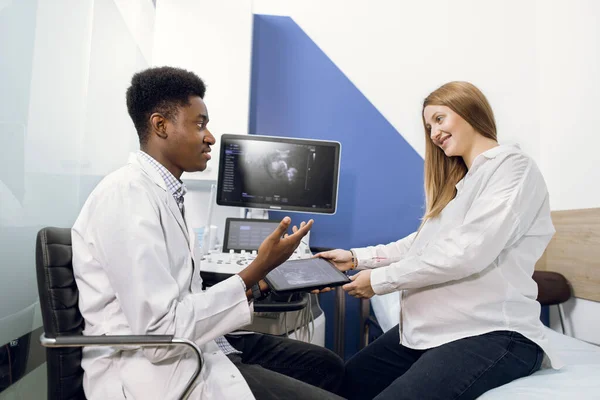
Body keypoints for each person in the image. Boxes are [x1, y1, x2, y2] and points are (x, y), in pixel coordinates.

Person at [72, 66, 344, 400]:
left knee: (327, 366)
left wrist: (261, 279)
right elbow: (160, 335)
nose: (211, 137)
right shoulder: (126, 196)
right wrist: (255, 269)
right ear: (161, 126)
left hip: (196, 347)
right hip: (150, 373)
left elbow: (185, 298)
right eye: (200, 124)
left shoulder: (162, 194)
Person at [317, 81, 561, 400]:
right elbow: (418, 246)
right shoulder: (460, 188)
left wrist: (380, 281)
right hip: (435, 333)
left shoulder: (512, 167)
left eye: (439, 119)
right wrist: (354, 258)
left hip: (493, 333)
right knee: (344, 384)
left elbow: (468, 252)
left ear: (468, 109)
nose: (433, 133)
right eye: (429, 126)